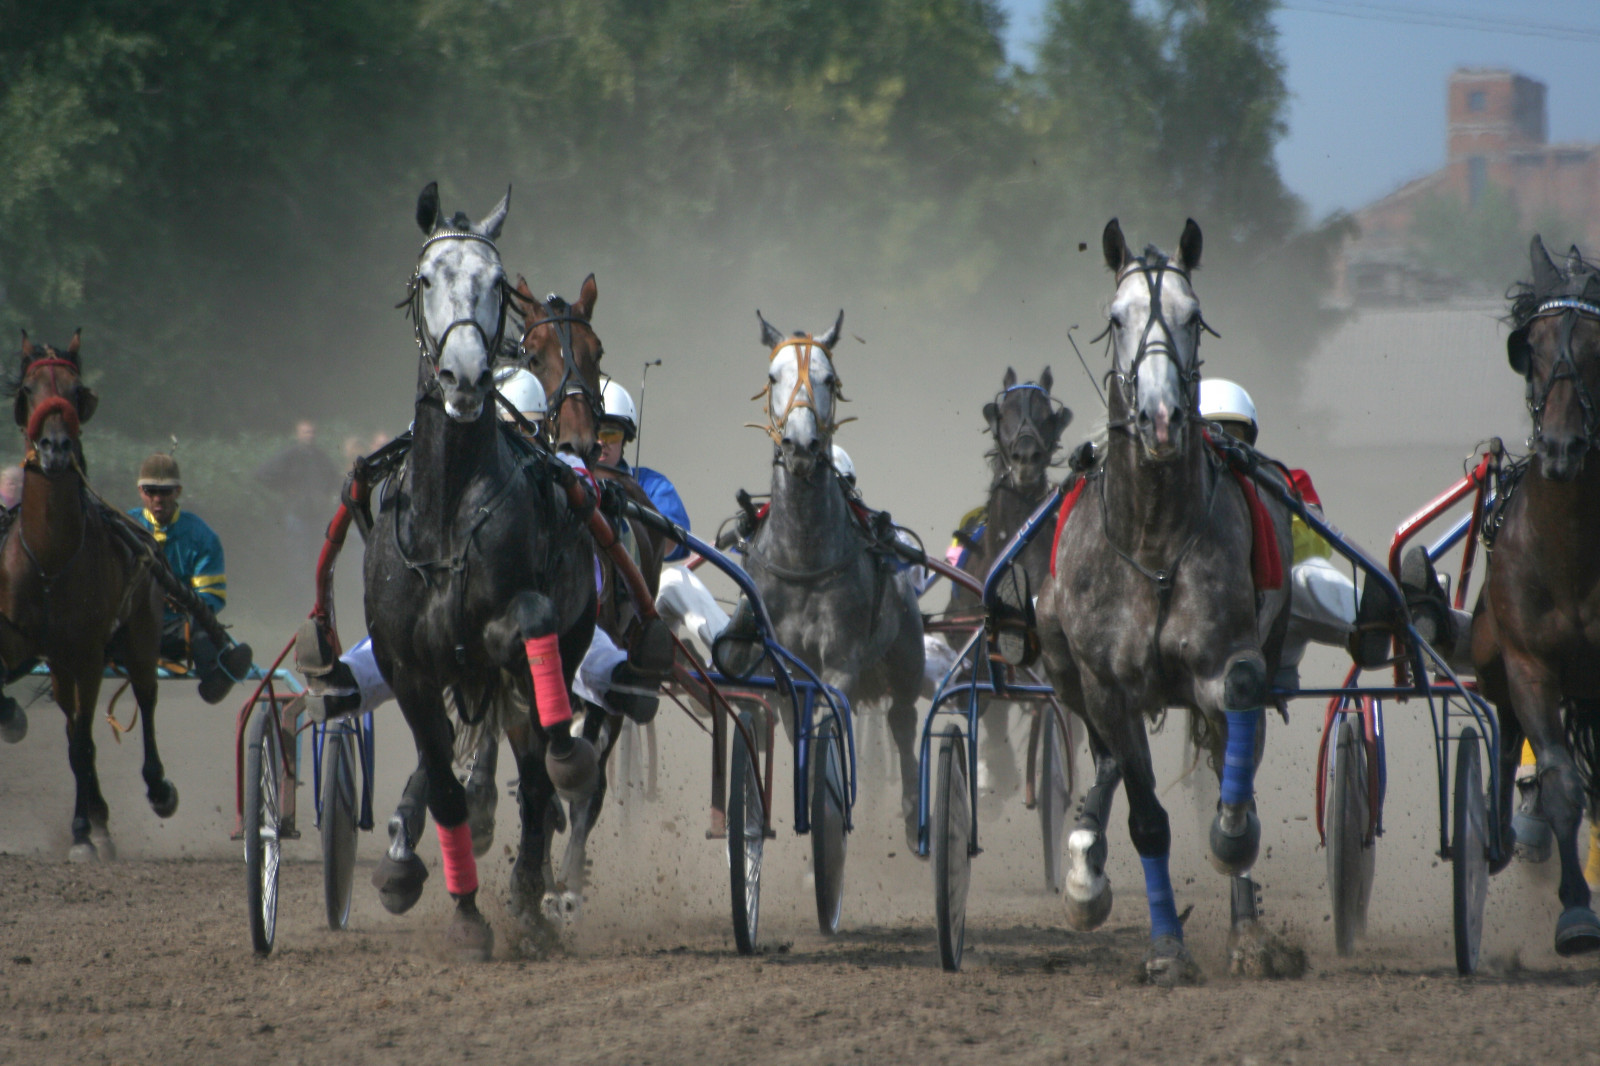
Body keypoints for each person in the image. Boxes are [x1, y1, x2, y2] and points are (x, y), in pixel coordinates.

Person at [128, 453, 250, 703]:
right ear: (140, 491)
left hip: (177, 633)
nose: (158, 499)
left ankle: (217, 678)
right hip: (129, 631)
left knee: (201, 621)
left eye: (166, 492)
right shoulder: (124, 527)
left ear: (178, 492)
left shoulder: (202, 536)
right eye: (151, 491)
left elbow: (212, 597)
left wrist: (186, 604)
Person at [597, 378, 691, 561]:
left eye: (611, 433)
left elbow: (669, 542)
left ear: (624, 439)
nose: (601, 442)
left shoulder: (652, 486)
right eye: (594, 432)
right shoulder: (561, 482)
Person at [255, 419, 342, 569]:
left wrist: (326, 495)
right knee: (298, 559)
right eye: (306, 432)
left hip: (318, 516)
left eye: (312, 432)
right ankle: (299, 592)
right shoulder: (289, 455)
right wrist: (284, 487)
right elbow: (262, 474)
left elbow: (334, 480)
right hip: (296, 515)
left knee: (318, 558)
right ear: (298, 434)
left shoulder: (321, 457)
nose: (310, 435)